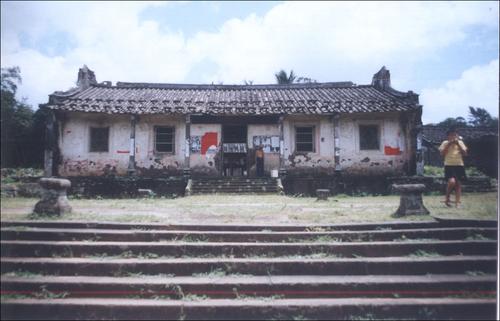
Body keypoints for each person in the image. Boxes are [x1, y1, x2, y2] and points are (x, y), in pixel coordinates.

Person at [438, 127, 468, 208]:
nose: (453, 136)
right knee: (452, 182)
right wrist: (449, 144)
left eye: (455, 135)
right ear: (448, 136)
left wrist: (458, 144)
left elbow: (465, 153)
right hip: (449, 165)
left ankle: (457, 203)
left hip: (459, 164)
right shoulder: (445, 143)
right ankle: (447, 197)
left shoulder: (460, 142)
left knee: (458, 184)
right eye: (451, 135)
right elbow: (442, 154)